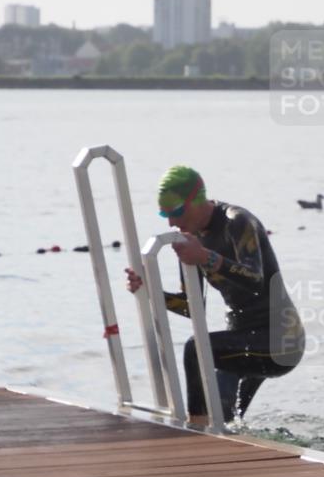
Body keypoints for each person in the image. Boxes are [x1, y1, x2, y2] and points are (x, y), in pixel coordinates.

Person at [125, 165, 304, 426]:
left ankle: (194, 435)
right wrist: (149, 291)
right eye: (165, 214)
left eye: (176, 212)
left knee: (196, 349)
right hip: (240, 339)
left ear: (197, 201)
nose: (171, 222)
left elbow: (255, 280)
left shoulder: (238, 222)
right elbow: (190, 306)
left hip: (281, 340)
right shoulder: (190, 240)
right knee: (222, 416)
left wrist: (207, 257)